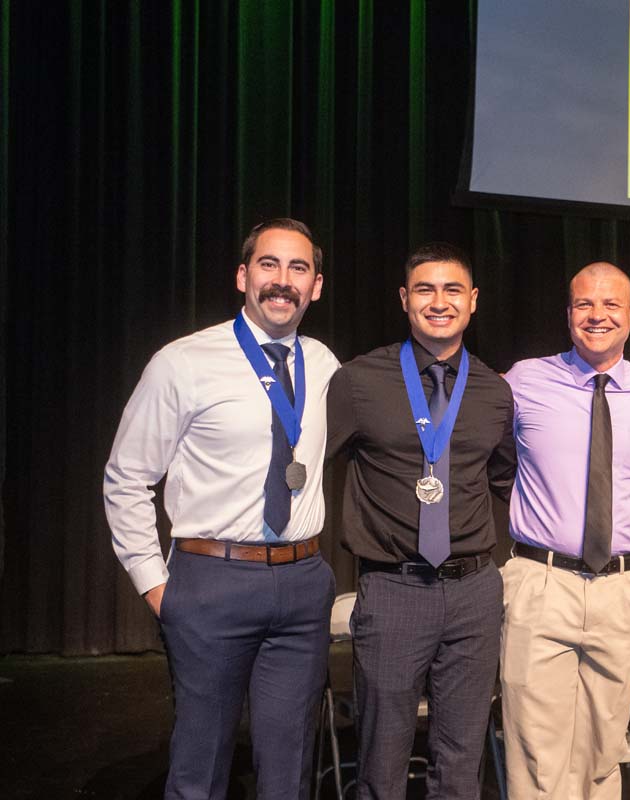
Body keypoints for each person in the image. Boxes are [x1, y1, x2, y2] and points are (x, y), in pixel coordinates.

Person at [103, 218, 340, 799]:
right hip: (211, 582)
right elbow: (127, 478)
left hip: (303, 582)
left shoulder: (327, 364)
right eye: (268, 264)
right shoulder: (182, 362)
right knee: (199, 769)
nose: (282, 281)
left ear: (316, 286)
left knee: (288, 771)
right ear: (242, 276)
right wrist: (158, 588)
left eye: (298, 268)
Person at [325, 241, 516, 799]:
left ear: (473, 300)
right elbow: (307, 466)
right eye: (426, 290)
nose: (440, 301)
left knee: (460, 763)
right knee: (381, 761)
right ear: (405, 299)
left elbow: (503, 479)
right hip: (393, 587)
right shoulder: (358, 381)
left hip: (475, 591)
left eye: (453, 289)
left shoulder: (494, 391)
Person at [500, 262, 630, 799]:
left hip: (624, 589)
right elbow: (479, 456)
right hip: (542, 581)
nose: (597, 315)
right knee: (536, 750)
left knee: (605, 751)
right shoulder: (524, 380)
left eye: (610, 306)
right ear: (568, 314)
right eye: (584, 304)